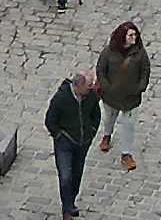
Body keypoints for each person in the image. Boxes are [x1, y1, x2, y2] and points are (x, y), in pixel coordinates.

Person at [95, 21, 152, 171]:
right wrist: (107, 87)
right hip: (111, 96)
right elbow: (101, 70)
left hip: (131, 98)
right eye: (130, 35)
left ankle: (126, 154)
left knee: (128, 126)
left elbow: (145, 71)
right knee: (109, 118)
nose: (134, 38)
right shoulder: (109, 52)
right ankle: (107, 135)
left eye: (135, 35)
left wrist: (140, 88)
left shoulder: (140, 53)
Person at [46, 70, 102, 219]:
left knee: (77, 175)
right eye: (88, 85)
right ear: (78, 86)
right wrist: (59, 136)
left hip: (82, 143)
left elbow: (96, 115)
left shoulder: (90, 96)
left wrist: (91, 132)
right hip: (65, 144)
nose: (91, 88)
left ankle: (70, 203)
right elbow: (50, 120)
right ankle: (66, 209)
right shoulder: (61, 99)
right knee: (65, 176)